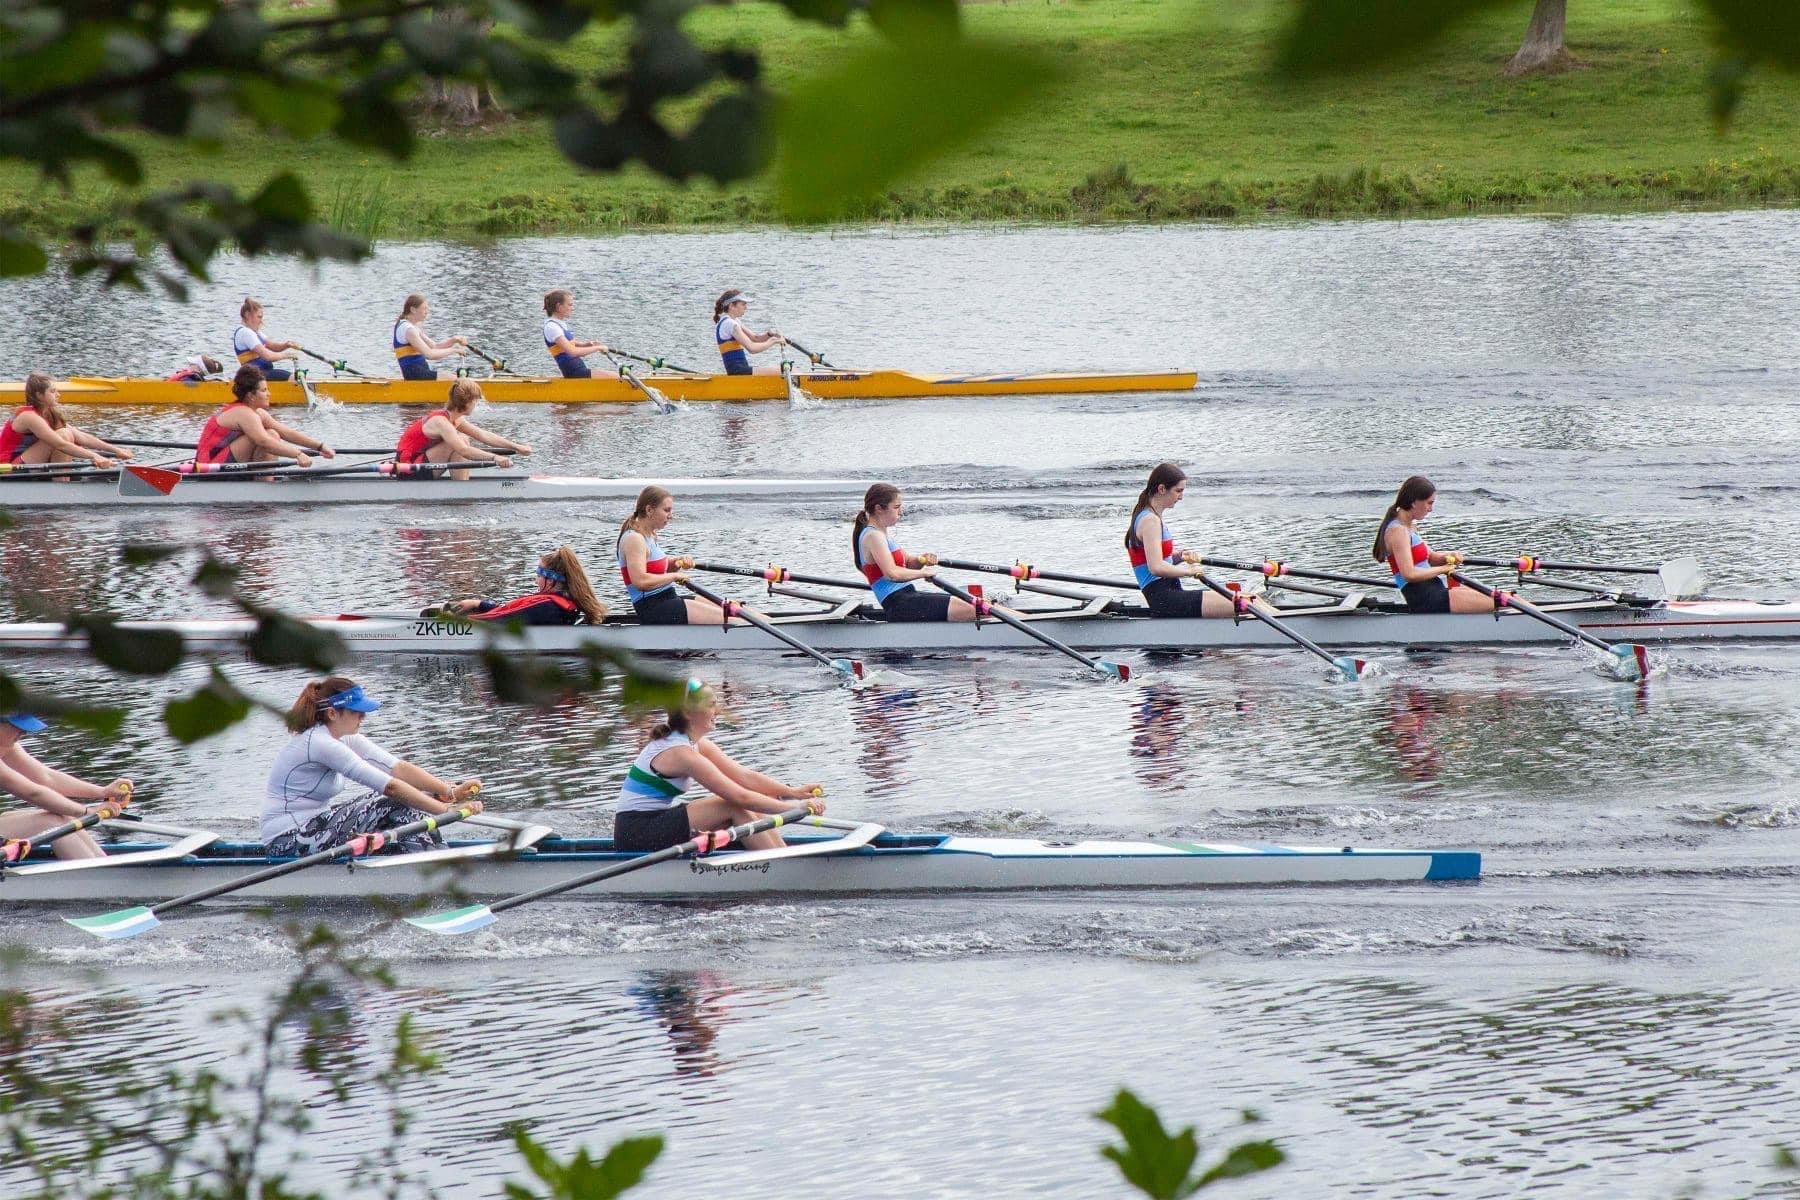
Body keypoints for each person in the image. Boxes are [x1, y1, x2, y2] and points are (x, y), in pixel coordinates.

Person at [261, 677, 483, 857]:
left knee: (409, 799)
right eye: (357, 711)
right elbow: (392, 788)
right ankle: (434, 866)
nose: (363, 717)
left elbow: (397, 769)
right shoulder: (320, 743)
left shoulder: (342, 737)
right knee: (394, 801)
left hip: (316, 824)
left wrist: (448, 792)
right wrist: (446, 812)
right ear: (332, 713)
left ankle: (432, 854)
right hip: (288, 839)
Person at [614, 682, 823, 853]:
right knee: (731, 805)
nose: (718, 710)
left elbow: (744, 777)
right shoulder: (682, 753)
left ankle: (781, 853)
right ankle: (784, 866)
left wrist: (792, 793)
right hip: (635, 832)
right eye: (711, 704)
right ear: (688, 712)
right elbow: (739, 797)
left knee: (747, 807)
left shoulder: (694, 743)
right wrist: (795, 809)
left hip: (653, 823)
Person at [0, 713, 133, 862]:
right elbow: (33, 793)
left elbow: (46, 777)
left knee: (63, 816)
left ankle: (104, 865)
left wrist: (102, 791)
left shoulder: (6, 746)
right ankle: (99, 876)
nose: (24, 732)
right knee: (50, 822)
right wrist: (86, 812)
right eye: (17, 726)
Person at [853, 482, 994, 623]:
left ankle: (1014, 618)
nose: (900, 512)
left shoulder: (881, 534)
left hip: (908, 597)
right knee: (976, 608)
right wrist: (923, 573)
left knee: (979, 605)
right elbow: (892, 573)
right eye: (896, 507)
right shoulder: (873, 536)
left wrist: (922, 559)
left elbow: (907, 562)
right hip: (899, 605)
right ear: (879, 509)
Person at [1125, 463, 1244, 619]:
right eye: (1178, 491)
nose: (1181, 497)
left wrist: (1179, 556)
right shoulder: (1150, 521)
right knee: (1245, 603)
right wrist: (1189, 571)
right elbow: (1156, 567)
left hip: (1170, 594)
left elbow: (1160, 560)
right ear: (1161, 489)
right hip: (1165, 601)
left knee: (1249, 599)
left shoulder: (1149, 516)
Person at [1373, 475, 1496, 615]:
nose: (1431, 509)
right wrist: (1443, 569)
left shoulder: (1409, 526)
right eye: (1429, 503)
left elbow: (1430, 557)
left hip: (1436, 592)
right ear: (1414, 502)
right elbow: (1409, 574)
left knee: (1507, 597)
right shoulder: (1398, 531)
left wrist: (1449, 556)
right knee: (1503, 600)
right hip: (1427, 600)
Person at [616, 486, 731, 625]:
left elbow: (655, 570)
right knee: (731, 619)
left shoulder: (649, 535)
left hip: (667, 599)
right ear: (649, 510)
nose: (671, 515)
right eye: (666, 510)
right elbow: (640, 582)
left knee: (731, 608)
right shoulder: (634, 539)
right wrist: (675, 576)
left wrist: (676, 563)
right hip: (652, 608)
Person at [196, 367, 337, 467]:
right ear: (251, 395)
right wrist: (298, 454)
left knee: (273, 433)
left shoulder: (257, 412)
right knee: (268, 437)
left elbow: (287, 433)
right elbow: (264, 442)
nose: (269, 394)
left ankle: (265, 484)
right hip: (208, 467)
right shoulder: (244, 414)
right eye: (264, 390)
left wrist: (320, 446)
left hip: (224, 460)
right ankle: (266, 488)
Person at [441, 546, 608, 626]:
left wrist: (454, 620)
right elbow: (511, 612)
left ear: (549, 580)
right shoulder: (562, 602)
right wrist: (478, 604)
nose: (536, 580)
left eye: (538, 575)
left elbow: (500, 620)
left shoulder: (545, 606)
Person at [395, 380, 529, 476]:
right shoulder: (441, 422)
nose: (476, 405)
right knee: (459, 442)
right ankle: (462, 490)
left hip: (421, 462)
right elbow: (464, 451)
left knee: (462, 439)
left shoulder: (454, 418)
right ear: (468, 402)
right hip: (408, 467)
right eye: (476, 401)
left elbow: (483, 435)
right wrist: (495, 458)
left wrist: (516, 446)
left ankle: (461, 486)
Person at [0, 372, 130, 469]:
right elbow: (61, 445)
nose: (58, 395)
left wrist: (116, 450)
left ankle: (62, 484)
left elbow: (82, 437)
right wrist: (95, 456)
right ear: (39, 395)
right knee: (63, 435)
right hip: (9, 467)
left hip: (28, 463)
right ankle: (61, 487)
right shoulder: (29, 416)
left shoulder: (49, 414)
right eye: (53, 391)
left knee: (67, 432)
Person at [392, 294, 468, 382]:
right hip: (415, 375)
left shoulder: (413, 327)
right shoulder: (408, 330)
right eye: (424, 308)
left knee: (454, 377)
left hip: (422, 372)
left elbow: (434, 346)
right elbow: (430, 354)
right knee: (456, 380)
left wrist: (454, 340)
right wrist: (454, 350)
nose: (427, 312)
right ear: (413, 309)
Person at [712, 290, 785, 376]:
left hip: (741, 369)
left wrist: (769, 334)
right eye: (743, 304)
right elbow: (752, 348)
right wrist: (773, 341)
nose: (746, 308)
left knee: (785, 370)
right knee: (787, 371)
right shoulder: (730, 324)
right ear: (732, 306)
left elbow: (755, 338)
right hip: (739, 371)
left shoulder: (733, 321)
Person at [543, 289, 610, 379]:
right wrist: (598, 348)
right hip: (575, 374)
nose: (572, 308)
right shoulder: (552, 327)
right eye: (570, 305)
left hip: (579, 372)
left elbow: (573, 346)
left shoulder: (559, 324)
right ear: (559, 306)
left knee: (618, 377)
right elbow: (573, 352)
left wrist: (587, 345)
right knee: (618, 379)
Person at [233, 297, 302, 381]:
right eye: (259, 317)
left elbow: (273, 346)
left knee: (299, 376)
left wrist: (287, 344)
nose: (261, 321)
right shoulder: (245, 332)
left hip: (264, 373)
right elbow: (267, 356)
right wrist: (286, 355)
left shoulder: (256, 332)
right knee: (296, 378)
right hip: (254, 377)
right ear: (247, 315)